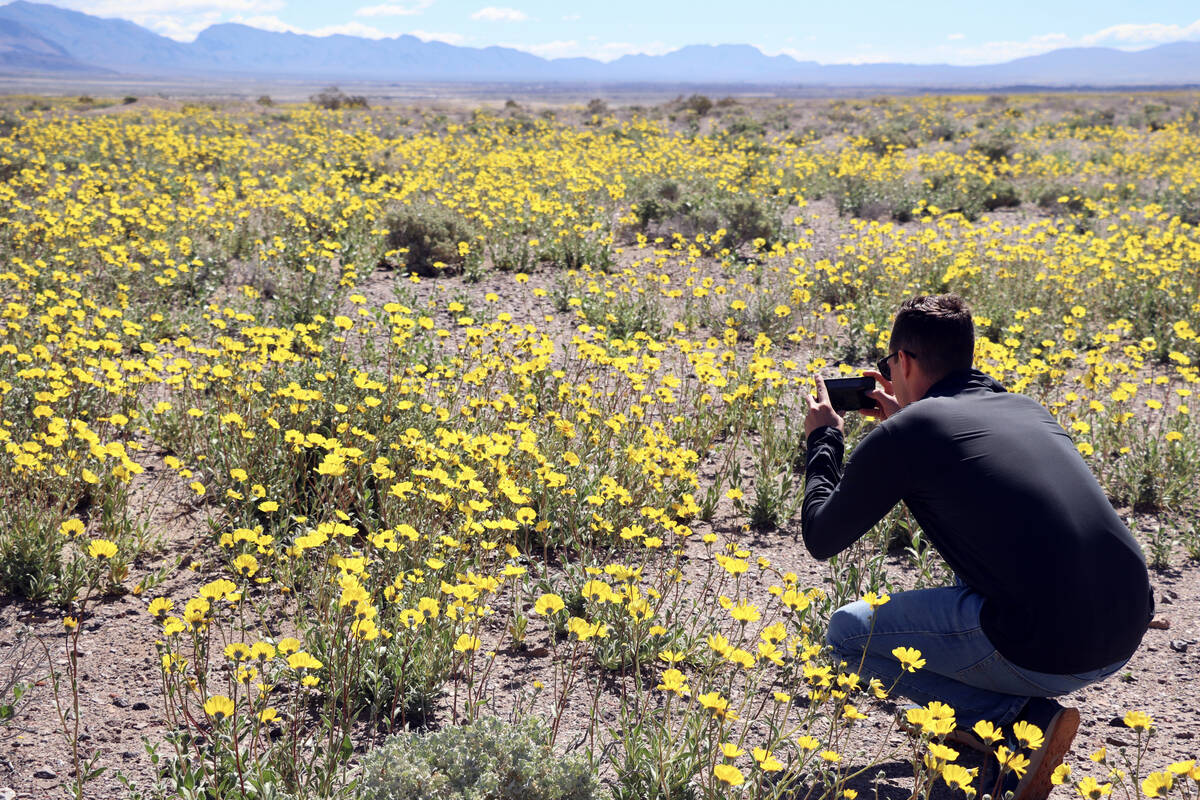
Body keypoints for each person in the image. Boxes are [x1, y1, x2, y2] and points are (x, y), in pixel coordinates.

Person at [801, 294, 1153, 800]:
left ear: (903, 362)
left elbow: (821, 536)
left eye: (887, 365)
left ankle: (1018, 722)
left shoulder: (910, 432)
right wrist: (906, 424)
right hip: (1125, 630)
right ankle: (999, 725)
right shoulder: (1023, 408)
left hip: (1051, 646)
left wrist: (824, 441)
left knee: (848, 633)